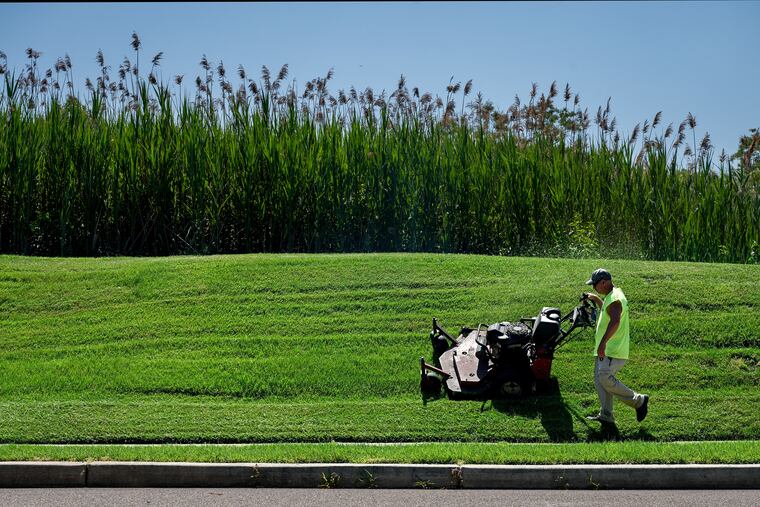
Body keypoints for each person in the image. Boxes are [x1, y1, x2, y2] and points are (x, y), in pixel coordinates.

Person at [583, 268, 649, 424]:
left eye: (595, 285)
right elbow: (606, 311)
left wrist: (603, 344)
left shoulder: (615, 298)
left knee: (604, 378)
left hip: (612, 349)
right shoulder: (611, 297)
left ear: (604, 282)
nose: (594, 288)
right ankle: (606, 416)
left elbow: (615, 321)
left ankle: (639, 401)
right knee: (601, 382)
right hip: (607, 350)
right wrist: (595, 298)